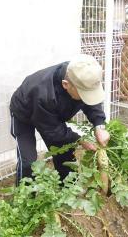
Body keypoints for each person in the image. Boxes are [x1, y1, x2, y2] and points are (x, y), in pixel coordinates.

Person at [10, 54, 110, 186]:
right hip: (24, 113)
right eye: (83, 95)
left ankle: (68, 189)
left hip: (51, 116)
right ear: (66, 85)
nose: (86, 98)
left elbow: (91, 102)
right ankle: (25, 198)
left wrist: (99, 125)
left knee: (64, 152)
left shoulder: (80, 73)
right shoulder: (43, 94)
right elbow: (53, 131)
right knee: (29, 162)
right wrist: (80, 140)